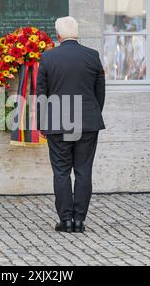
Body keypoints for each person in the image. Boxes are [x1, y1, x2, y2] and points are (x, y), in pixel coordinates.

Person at [36, 16, 106, 233]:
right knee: (84, 171)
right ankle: (79, 220)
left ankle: (65, 219)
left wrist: (42, 123)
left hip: (58, 122)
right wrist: (92, 114)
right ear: (77, 34)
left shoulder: (48, 58)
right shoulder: (92, 56)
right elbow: (99, 93)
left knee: (61, 172)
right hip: (87, 122)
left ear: (58, 36)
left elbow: (42, 94)